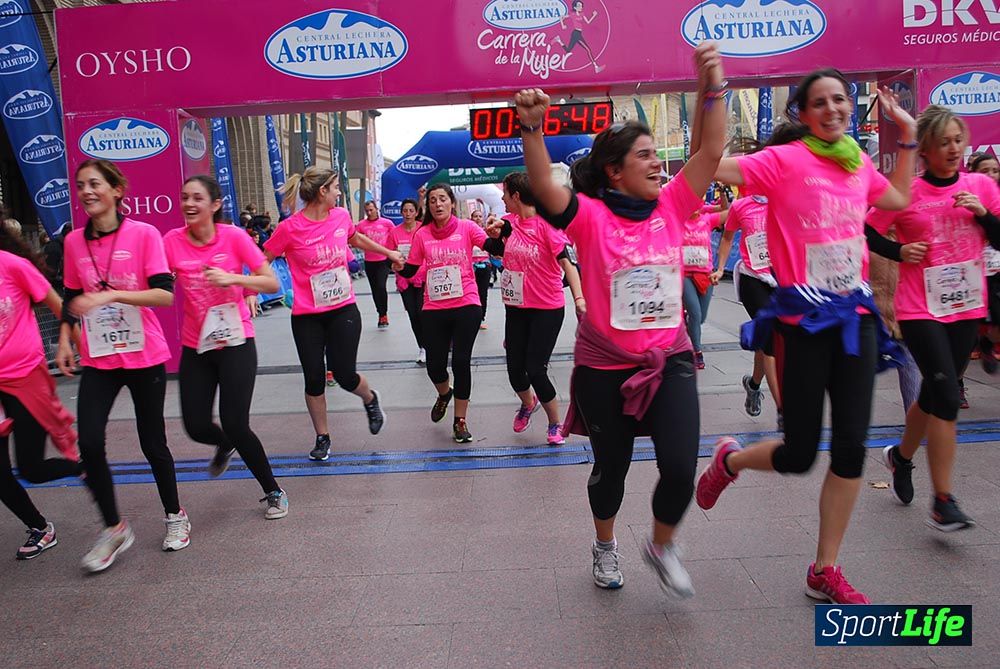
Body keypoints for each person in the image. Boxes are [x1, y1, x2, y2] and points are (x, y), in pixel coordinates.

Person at [695, 71, 918, 605]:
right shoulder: (783, 161)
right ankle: (730, 461)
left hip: (856, 318)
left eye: (840, 99)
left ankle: (824, 568)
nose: (833, 108)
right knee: (798, 453)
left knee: (850, 449)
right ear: (803, 113)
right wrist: (712, 93)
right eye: (820, 102)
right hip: (803, 323)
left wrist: (908, 134)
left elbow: (896, 198)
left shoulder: (856, 161)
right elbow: (707, 163)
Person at [514, 41, 727, 596]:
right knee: (612, 469)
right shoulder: (590, 216)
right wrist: (532, 129)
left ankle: (661, 544)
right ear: (614, 171)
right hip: (606, 367)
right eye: (645, 155)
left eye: (658, 155)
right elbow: (545, 189)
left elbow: (711, 149)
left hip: (669, 358)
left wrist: (713, 87)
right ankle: (605, 545)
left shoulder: (673, 204)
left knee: (680, 466)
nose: (658, 163)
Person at [869, 105, 1000, 531]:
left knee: (934, 392)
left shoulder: (981, 186)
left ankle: (900, 456)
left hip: (966, 307)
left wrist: (984, 215)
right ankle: (943, 501)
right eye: (944, 142)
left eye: (958, 140)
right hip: (920, 308)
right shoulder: (906, 192)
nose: (953, 149)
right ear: (924, 149)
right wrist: (899, 251)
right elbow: (867, 230)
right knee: (945, 395)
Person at [56, 159, 190, 572]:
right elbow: (71, 296)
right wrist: (64, 338)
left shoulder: (144, 234)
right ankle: (114, 528)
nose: (86, 191)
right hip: (99, 357)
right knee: (89, 442)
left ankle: (175, 515)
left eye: (95, 183)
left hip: (143, 354)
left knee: (152, 442)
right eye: (81, 185)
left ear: (117, 190)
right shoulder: (73, 242)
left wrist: (112, 296)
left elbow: (165, 295)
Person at [164, 175, 289, 520]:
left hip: (236, 341)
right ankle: (223, 443)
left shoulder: (233, 237)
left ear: (215, 204)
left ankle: (273, 490)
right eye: (184, 197)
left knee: (236, 422)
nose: (189, 204)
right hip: (197, 345)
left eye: (197, 198)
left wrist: (234, 278)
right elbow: (158, 278)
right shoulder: (171, 241)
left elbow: (270, 281)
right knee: (195, 425)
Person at [263, 167, 399, 462]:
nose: (339, 192)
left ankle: (370, 399)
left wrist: (389, 253)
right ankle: (322, 436)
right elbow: (264, 257)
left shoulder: (340, 217)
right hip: (307, 315)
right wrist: (251, 288)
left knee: (344, 375)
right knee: (314, 378)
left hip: (342, 310)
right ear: (322, 191)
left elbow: (357, 240)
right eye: (336, 187)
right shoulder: (289, 228)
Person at [484, 171, 584, 445]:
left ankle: (555, 423)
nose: (502, 199)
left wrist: (579, 299)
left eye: (505, 194)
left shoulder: (547, 227)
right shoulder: (510, 223)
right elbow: (498, 239)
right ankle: (529, 403)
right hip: (516, 308)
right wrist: (493, 231)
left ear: (516, 196)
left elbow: (569, 266)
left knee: (535, 369)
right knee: (515, 370)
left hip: (546, 309)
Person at [0, 224, 80, 560]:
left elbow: (60, 306)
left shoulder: (12, 266)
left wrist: (78, 348)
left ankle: (85, 466)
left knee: (31, 468)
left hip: (25, 379)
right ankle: (40, 527)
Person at [396, 184, 488, 443]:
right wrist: (398, 266)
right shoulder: (422, 234)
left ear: (452, 203)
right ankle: (445, 393)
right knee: (435, 366)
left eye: (443, 199)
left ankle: (460, 420)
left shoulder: (467, 228)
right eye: (433, 200)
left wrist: (501, 232)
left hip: (466, 302)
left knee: (461, 361)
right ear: (428, 206)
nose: (437, 204)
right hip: (434, 307)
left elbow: (490, 244)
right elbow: (412, 268)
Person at [710, 190, 783, 426]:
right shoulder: (741, 206)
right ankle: (783, 411)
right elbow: (727, 238)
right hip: (753, 277)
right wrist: (720, 268)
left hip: (780, 277)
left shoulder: (784, 199)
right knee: (770, 338)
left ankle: (753, 384)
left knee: (766, 340)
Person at [682, 199, 723, 369]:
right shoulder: (678, 220)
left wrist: (727, 192)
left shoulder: (708, 219)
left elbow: (729, 211)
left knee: (701, 317)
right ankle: (696, 352)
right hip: (684, 275)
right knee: (696, 313)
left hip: (706, 274)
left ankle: (688, 324)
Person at [970, 152, 1000, 373]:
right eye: (985, 171)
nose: (991, 175)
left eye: (995, 170)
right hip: (976, 267)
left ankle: (988, 341)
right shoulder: (968, 196)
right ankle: (985, 341)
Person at [386, 198, 426, 363]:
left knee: (423, 313)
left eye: (411, 211)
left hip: (423, 277)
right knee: (413, 314)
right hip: (404, 279)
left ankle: (433, 343)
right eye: (405, 211)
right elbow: (388, 255)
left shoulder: (423, 229)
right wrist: (393, 264)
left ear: (416, 213)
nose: (408, 214)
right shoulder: (394, 232)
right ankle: (422, 347)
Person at [357, 200, 395, 329]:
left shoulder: (387, 223)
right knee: (374, 289)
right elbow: (355, 239)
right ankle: (380, 313)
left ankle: (384, 314)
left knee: (381, 286)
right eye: (367, 210)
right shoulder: (361, 225)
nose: (369, 212)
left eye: (371, 210)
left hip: (383, 260)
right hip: (369, 261)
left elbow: (394, 237)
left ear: (376, 209)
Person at [552, 0, 604, 74]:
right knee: (588, 49)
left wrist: (594, 15)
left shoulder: (582, 14)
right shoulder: (572, 14)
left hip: (578, 33)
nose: (581, 7)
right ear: (575, 7)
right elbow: (561, 17)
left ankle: (559, 40)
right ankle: (596, 67)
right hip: (576, 34)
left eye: (581, 6)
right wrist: (562, 25)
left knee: (568, 50)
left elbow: (588, 22)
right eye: (579, 6)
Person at [470, 209, 492, 329]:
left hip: (484, 265)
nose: (478, 218)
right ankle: (471, 319)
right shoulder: (467, 232)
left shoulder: (487, 232)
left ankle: (481, 318)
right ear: (471, 218)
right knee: (472, 294)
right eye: (475, 216)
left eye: (480, 216)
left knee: (483, 293)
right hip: (471, 267)